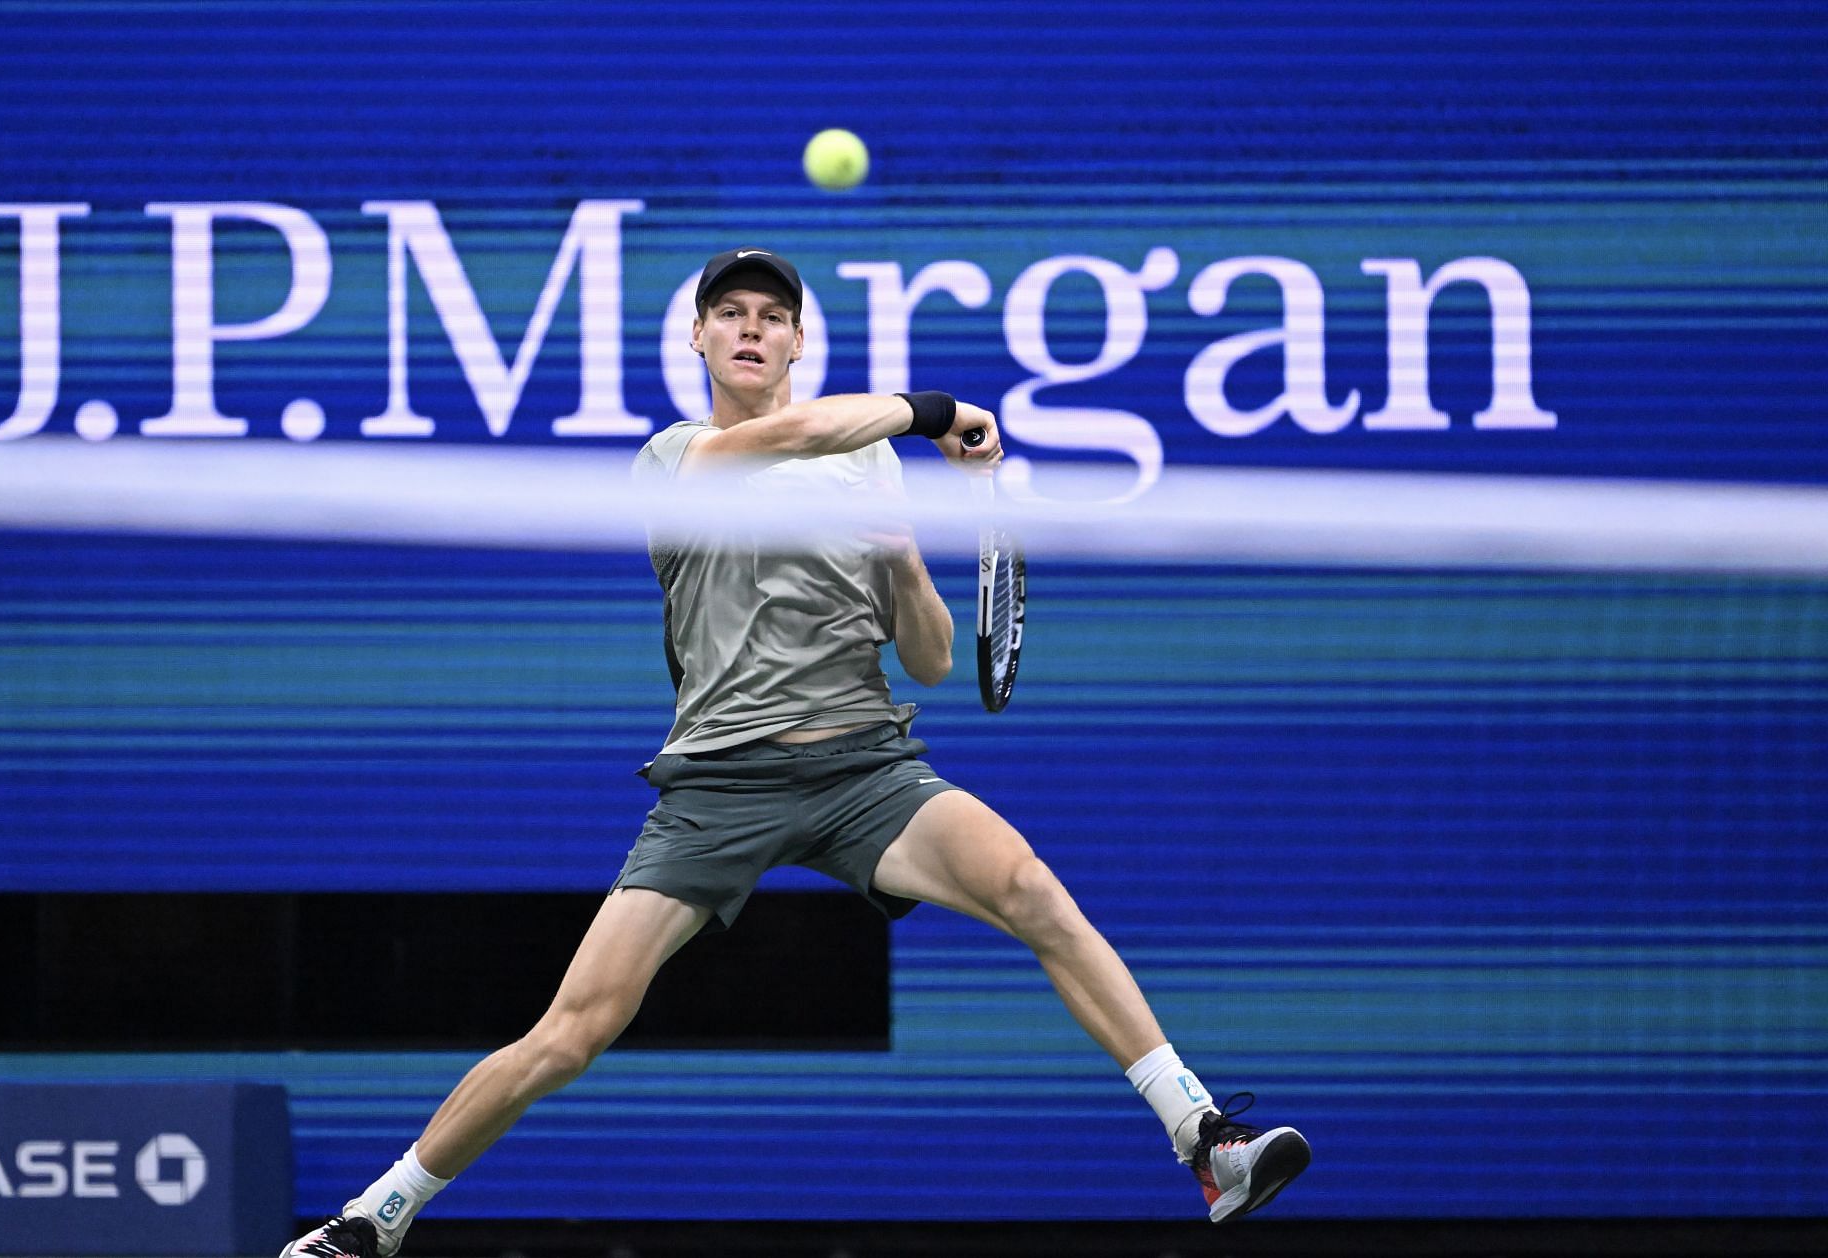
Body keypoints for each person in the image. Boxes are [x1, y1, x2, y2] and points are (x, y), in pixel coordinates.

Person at [280, 247, 1310, 1258]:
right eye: (730, 312)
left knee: (1032, 888)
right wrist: (934, 408)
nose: (750, 329)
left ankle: (1203, 1136)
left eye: (771, 317)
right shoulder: (675, 457)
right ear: (697, 336)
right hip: (717, 785)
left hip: (866, 768)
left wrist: (902, 556)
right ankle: (372, 1217)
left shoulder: (864, 463)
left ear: (797, 340)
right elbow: (805, 431)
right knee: (575, 1027)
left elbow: (937, 659)